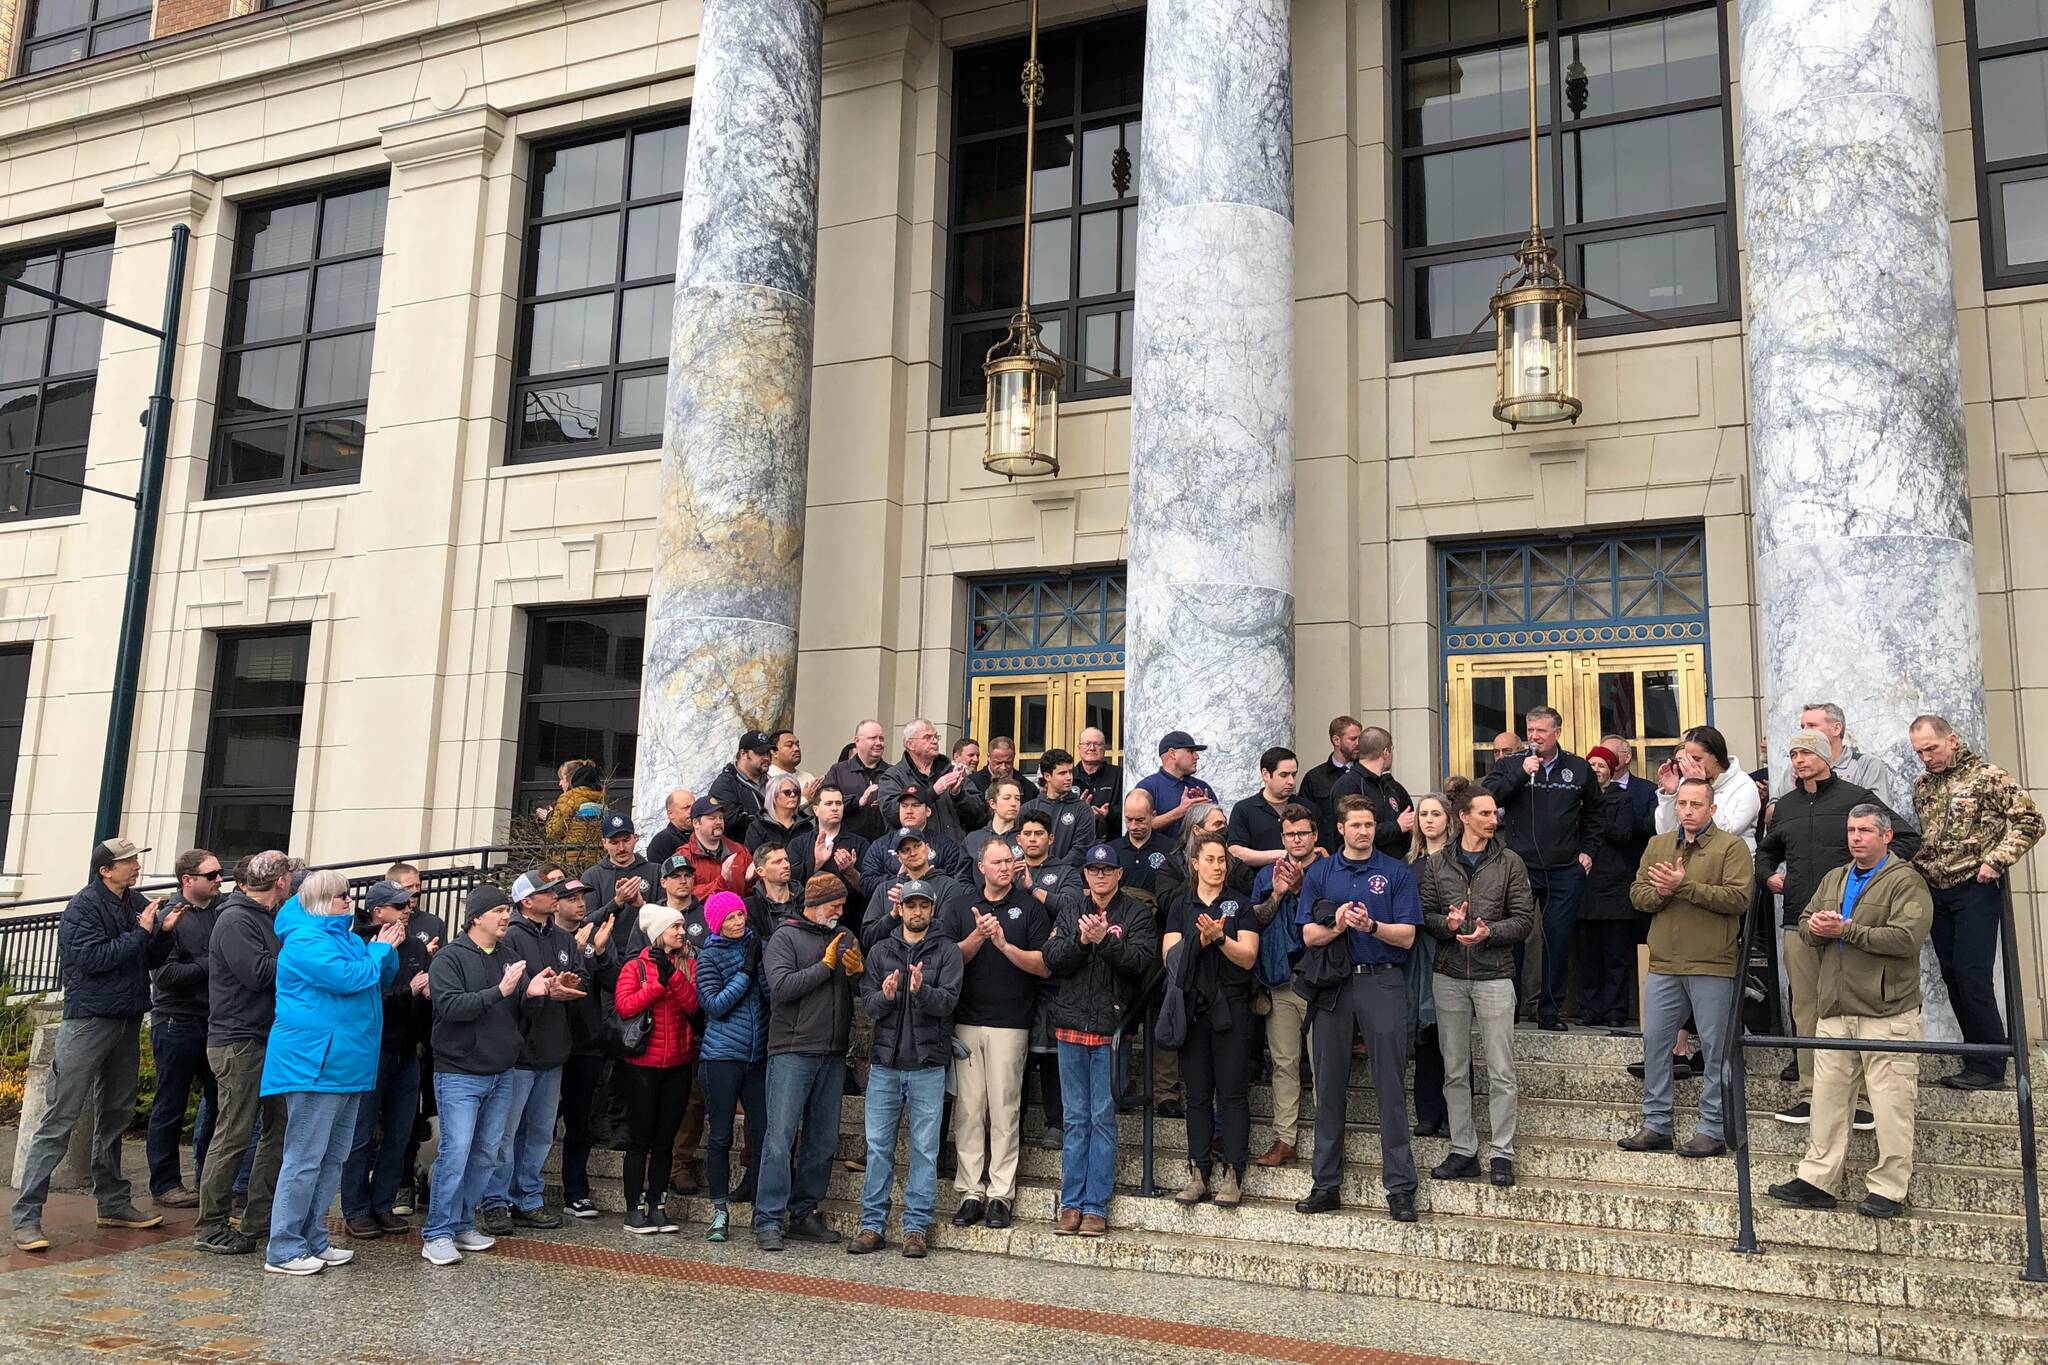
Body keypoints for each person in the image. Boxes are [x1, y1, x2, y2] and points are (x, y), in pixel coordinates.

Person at [1768, 806, 1934, 1219]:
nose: (1856, 837)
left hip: (1887, 1013)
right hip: (1836, 1009)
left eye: (1864, 830)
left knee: (1891, 1105)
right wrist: (1817, 926)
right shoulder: (1835, 877)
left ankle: (1889, 1188)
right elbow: (1805, 923)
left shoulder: (1906, 881)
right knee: (1827, 1100)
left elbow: (1906, 938)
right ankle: (1817, 1180)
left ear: (1887, 836)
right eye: (1851, 830)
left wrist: (1847, 931)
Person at [11, 838, 168, 1253]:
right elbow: (92, 960)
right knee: (60, 1117)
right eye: (128, 862)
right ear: (105, 870)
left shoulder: (135, 900)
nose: (136, 866)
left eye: (136, 859)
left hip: (127, 1018)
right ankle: (26, 1216)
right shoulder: (82, 907)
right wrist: (141, 933)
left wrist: (162, 935)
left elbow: (145, 958)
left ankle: (113, 1202)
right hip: (88, 1022)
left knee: (115, 1113)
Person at [1760, 730, 1917, 1125]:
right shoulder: (1788, 806)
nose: (1798, 759)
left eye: (1805, 752)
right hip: (1801, 921)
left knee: (1857, 1008)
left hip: (1854, 925)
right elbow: (1766, 851)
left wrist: (1871, 882)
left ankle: (1863, 1101)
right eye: (1792, 753)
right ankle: (1810, 1094)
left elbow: (1907, 839)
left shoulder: (1856, 798)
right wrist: (1768, 877)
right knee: (1806, 1007)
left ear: (1826, 755)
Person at [259, 870, 404, 1275]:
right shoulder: (305, 940)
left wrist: (385, 951)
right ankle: (284, 1248)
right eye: (342, 895)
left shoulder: (346, 937)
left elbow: (378, 980)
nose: (349, 901)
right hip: (314, 1064)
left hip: (346, 1062)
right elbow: (348, 979)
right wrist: (376, 953)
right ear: (323, 899)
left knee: (332, 1159)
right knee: (304, 1158)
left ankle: (313, 1238)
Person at [1295, 798, 1423, 1221]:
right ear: (1341, 829)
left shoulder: (1395, 872)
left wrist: (1370, 926)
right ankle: (1325, 1184)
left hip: (1382, 979)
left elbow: (1406, 936)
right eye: (1356, 825)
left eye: (1370, 825)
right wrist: (1339, 925)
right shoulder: (1320, 872)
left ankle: (1400, 1187)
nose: (1364, 832)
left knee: (1390, 1086)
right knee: (1328, 1084)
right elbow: (1309, 937)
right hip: (1334, 984)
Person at [1620, 777, 1753, 1158]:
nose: (1689, 811)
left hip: (1712, 962)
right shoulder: (1658, 845)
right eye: (1683, 804)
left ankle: (1712, 1129)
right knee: (1656, 1044)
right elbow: (1638, 894)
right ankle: (1656, 1124)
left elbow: (1738, 898)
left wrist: (1684, 886)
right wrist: (1661, 891)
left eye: (1697, 804)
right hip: (1664, 961)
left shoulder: (1732, 847)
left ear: (1712, 809)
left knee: (1714, 1048)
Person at [1910, 714, 2044, 1089]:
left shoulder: (1988, 776)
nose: (1926, 758)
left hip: (1976, 885)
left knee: (1973, 975)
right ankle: (1976, 1056)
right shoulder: (1922, 785)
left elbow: (2030, 820)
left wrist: (1996, 859)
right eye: (1919, 752)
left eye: (1931, 749)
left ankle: (1991, 1062)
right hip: (1937, 887)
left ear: (1951, 740)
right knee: (1952, 975)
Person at [420, 886, 549, 1266]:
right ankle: (436, 1233)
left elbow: (520, 1014)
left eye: (508, 909)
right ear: (476, 917)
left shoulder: (510, 956)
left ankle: (461, 1223)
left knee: (486, 1152)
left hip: (501, 1071)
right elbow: (449, 1007)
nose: (506, 916)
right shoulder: (449, 958)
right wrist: (500, 990)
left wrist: (537, 993)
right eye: (498, 910)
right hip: (460, 1072)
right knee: (455, 1151)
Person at [1419, 779, 1536, 1188]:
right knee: (1455, 1068)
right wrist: (1448, 926)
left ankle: (1502, 1151)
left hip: (1495, 975)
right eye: (1484, 813)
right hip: (1449, 974)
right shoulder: (1436, 864)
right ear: (1463, 818)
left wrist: (1491, 933)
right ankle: (1463, 1149)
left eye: (1494, 813)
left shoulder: (1510, 863)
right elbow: (1425, 915)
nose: (1493, 819)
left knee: (1501, 1070)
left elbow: (1524, 921)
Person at [1045, 845, 1156, 1233]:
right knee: (1075, 1119)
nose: (1101, 876)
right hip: (1071, 1027)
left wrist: (1105, 943)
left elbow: (1142, 961)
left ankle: (1096, 1205)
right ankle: (1070, 1203)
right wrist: (1081, 941)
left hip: (1111, 1031)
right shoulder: (1071, 909)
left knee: (1102, 1119)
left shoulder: (1137, 913)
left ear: (1119, 874)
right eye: (1094, 869)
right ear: (1086, 874)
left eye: (1108, 869)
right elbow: (1052, 958)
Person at [851, 880, 963, 1257]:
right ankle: (872, 1225)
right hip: (885, 1064)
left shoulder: (947, 951)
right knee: (878, 1147)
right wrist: (885, 997)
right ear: (899, 909)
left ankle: (916, 1227)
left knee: (925, 1150)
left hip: (928, 1065)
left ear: (932, 909)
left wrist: (921, 992)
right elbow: (867, 1002)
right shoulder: (881, 949)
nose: (917, 912)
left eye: (923, 906)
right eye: (910, 905)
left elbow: (948, 1002)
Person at [192, 849, 294, 1256]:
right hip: (238, 1041)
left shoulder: (267, 917)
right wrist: (300, 954)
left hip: (266, 1039)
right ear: (281, 882)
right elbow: (260, 975)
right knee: (234, 1133)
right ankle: (210, 1224)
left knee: (277, 1129)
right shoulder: (236, 919)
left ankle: (259, 1218)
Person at [947, 839, 1049, 1230]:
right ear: (981, 867)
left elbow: (1044, 966)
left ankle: (1000, 1194)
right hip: (967, 1020)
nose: (1006, 867)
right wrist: (978, 935)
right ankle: (971, 1191)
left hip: (1011, 1022)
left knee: (1005, 1110)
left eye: (1010, 861)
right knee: (970, 1109)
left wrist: (1004, 944)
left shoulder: (1031, 908)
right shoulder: (960, 906)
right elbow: (948, 959)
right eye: (998, 861)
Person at [755, 875, 862, 1250]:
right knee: (780, 1139)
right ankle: (768, 1218)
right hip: (792, 1050)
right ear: (817, 903)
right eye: (836, 904)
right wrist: (825, 966)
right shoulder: (785, 937)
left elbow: (858, 991)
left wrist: (857, 974)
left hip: (832, 1052)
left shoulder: (846, 936)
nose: (841, 910)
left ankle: (803, 1212)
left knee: (822, 1141)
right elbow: (781, 989)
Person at [478, 870, 587, 1235]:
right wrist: (540, 990)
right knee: (505, 1133)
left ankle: (527, 1196)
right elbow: (513, 988)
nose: (554, 895)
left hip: (553, 1050)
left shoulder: (562, 938)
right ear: (527, 901)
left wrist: (568, 983)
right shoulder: (510, 939)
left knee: (541, 1132)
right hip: (519, 1052)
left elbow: (578, 974)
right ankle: (495, 1200)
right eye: (545, 892)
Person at [1483, 705, 1600, 1031]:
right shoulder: (1509, 764)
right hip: (1519, 868)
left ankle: (1550, 1011)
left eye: (1541, 732)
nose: (1534, 737)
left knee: (1557, 940)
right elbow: (1488, 799)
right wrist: (1522, 772)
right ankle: (1511, 1009)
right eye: (1530, 731)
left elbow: (1595, 814)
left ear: (1557, 733)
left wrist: (1588, 851)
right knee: (1512, 939)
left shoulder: (1578, 768)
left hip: (1565, 869)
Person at [1163, 832, 1259, 1207]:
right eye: (1211, 860)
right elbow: (1170, 958)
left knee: (1232, 1094)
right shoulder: (1180, 904)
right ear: (1195, 864)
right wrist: (1199, 941)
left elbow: (1248, 956)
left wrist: (1220, 939)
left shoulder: (1240, 904)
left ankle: (1233, 1174)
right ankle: (1198, 1172)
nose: (1218, 867)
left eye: (1222, 860)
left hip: (1232, 1008)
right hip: (1193, 1008)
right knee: (1197, 1095)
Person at [340, 880, 432, 1239]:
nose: (408, 908)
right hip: (371, 1050)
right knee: (361, 1133)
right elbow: (365, 996)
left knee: (400, 1132)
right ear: (378, 912)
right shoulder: (359, 943)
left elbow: (422, 995)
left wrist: (424, 1001)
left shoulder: (414, 946)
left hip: (407, 1050)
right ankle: (356, 1207)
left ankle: (383, 1203)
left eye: (408, 903)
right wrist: (406, 992)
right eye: (398, 905)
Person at [612, 903, 700, 1234]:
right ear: (658, 933)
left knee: (665, 1141)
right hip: (642, 1066)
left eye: (682, 926)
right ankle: (633, 1208)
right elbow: (624, 1006)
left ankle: (657, 1205)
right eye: (675, 927)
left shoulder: (687, 965)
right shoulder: (636, 967)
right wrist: (658, 984)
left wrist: (673, 976)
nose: (682, 931)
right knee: (640, 1140)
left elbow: (693, 1005)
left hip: (678, 1063)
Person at [145, 848, 224, 1210]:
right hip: (177, 1021)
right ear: (187, 880)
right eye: (212, 875)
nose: (220, 880)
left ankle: (208, 1175)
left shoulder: (222, 913)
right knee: (170, 1105)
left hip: (215, 1021)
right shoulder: (170, 917)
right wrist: (211, 964)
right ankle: (165, 1183)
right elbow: (165, 975)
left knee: (220, 1103)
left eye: (220, 873)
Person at [1249, 804, 1324, 1167]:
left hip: (1319, 982)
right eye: (1291, 834)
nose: (1297, 840)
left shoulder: (1328, 871)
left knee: (1324, 1062)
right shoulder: (1266, 875)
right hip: (1279, 981)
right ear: (1283, 839)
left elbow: (1326, 917)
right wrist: (1278, 893)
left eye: (1303, 833)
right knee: (1283, 1063)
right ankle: (1285, 1138)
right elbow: (1254, 923)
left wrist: (1301, 888)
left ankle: (1328, 1139)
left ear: (1315, 836)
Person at [695, 891, 767, 1242]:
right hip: (721, 1055)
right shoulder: (708, 956)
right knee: (721, 1135)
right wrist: (746, 973)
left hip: (758, 1056)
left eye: (740, 915)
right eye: (730, 918)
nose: (738, 922)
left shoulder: (758, 946)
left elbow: (769, 996)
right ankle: (719, 1210)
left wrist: (763, 970)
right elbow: (713, 1004)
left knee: (765, 1131)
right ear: (717, 924)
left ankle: (761, 1206)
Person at [552, 870, 619, 1221]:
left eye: (583, 899)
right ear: (555, 903)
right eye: (572, 899)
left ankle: (576, 1191)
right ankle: (519, 1189)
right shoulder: (546, 937)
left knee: (580, 1123)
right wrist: (576, 951)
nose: (580, 905)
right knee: (539, 1123)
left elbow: (612, 981)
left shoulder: (593, 936)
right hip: (548, 1044)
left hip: (586, 1044)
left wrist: (602, 951)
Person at [1580, 746, 1653, 1028]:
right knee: (1588, 953)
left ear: (1611, 769)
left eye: (1601, 765)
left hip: (1614, 886)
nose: (1596, 769)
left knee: (1615, 954)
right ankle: (1589, 1008)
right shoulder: (1577, 800)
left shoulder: (1621, 799)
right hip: (1585, 885)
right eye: (1592, 765)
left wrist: (1594, 819)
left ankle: (1615, 1009)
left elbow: (1623, 834)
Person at [1405, 794, 1452, 1138]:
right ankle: (1427, 1113)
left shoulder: (1458, 860)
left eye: (1436, 814)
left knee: (1452, 1037)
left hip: (1450, 952)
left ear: (1449, 820)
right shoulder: (1409, 863)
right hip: (1417, 955)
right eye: (1424, 814)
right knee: (1424, 1036)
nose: (1429, 820)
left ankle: (1454, 1115)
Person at [859, 825, 971, 951]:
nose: (912, 853)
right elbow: (867, 939)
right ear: (899, 857)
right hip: (890, 964)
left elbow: (950, 932)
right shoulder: (885, 889)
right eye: (905, 850)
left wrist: (912, 914)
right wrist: (893, 915)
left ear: (928, 848)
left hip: (934, 962)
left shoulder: (949, 886)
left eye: (917, 846)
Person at [1654, 724, 1763, 850]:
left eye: (1696, 759)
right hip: (1691, 859)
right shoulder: (1687, 781)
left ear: (1716, 756)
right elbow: (1666, 832)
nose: (1691, 765)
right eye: (1688, 759)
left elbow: (1726, 832)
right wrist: (1670, 794)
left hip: (1732, 861)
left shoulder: (1743, 785)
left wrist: (1702, 788)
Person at [881, 718, 987, 843]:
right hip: (915, 853)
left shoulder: (952, 771)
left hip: (954, 854)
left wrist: (958, 795)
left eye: (936, 736)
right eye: (927, 737)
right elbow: (892, 814)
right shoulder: (894, 776)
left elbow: (979, 814)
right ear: (910, 744)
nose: (935, 741)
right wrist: (932, 793)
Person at [1329, 726, 1416, 861]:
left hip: (1393, 866)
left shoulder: (1389, 787)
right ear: (1386, 752)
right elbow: (1346, 833)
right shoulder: (1348, 785)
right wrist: (1397, 826)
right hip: (1358, 868)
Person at [860, 786, 970, 889]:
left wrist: (926, 877)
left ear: (928, 811)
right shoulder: (881, 845)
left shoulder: (946, 846)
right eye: (904, 806)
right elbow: (866, 883)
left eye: (915, 805)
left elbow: (956, 884)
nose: (909, 811)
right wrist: (899, 879)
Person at [784, 783, 868, 903]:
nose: (835, 808)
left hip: (848, 915)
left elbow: (868, 888)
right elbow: (789, 883)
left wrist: (851, 872)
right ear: (816, 810)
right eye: (829, 803)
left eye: (838, 803)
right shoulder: (798, 843)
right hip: (806, 915)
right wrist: (816, 863)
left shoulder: (860, 843)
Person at [582, 812, 658, 933]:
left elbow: (668, 916)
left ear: (636, 838)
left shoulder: (656, 872)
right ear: (604, 843)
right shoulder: (592, 876)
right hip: (607, 950)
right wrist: (618, 902)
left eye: (626, 840)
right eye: (614, 842)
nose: (621, 848)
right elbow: (586, 922)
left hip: (649, 949)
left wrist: (642, 905)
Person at [1137, 730, 1219, 841]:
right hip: (1161, 857)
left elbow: (1219, 829)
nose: (1196, 757)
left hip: (1198, 857)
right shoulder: (1147, 787)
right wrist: (1180, 812)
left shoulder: (1202, 787)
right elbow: (1138, 827)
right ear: (1172, 753)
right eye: (1190, 751)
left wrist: (1203, 812)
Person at [1225, 746, 1298, 872]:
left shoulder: (1306, 807)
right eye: (1284, 775)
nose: (1291, 781)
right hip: (1256, 885)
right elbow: (1235, 851)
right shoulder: (1244, 809)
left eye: (1294, 775)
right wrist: (1282, 855)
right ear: (1266, 775)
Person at [1021, 748, 1098, 861]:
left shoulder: (1083, 809)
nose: (1069, 777)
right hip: (1032, 876)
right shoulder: (1028, 809)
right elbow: (1019, 845)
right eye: (1062, 773)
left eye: (1070, 772)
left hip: (1068, 876)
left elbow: (1081, 849)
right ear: (1047, 776)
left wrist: (1057, 871)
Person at [1302, 715, 1363, 853]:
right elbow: (1305, 820)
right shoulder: (1314, 778)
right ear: (1336, 740)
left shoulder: (1366, 775)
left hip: (1363, 853)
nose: (1359, 743)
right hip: (1327, 855)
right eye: (1353, 739)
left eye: (1361, 738)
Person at [823, 719, 891, 842]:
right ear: (857, 741)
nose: (878, 743)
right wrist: (858, 802)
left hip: (883, 845)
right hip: (846, 846)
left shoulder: (892, 773)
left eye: (881, 738)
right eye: (873, 738)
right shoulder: (838, 771)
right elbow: (825, 804)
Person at [678, 795, 755, 901]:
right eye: (712, 818)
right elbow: (684, 894)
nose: (718, 822)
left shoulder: (740, 851)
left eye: (720, 817)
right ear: (696, 823)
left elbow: (754, 893)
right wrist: (721, 882)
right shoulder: (684, 856)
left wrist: (755, 877)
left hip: (740, 915)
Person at [707, 729, 773, 843]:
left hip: (774, 851)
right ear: (743, 754)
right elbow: (728, 817)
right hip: (743, 853)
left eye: (768, 753)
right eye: (761, 753)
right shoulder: (725, 783)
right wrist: (768, 815)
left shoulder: (772, 782)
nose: (766, 758)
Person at [537, 759, 606, 865]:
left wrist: (549, 817)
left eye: (562, 778)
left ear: (571, 779)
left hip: (571, 859)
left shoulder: (570, 798)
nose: (560, 783)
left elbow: (554, 832)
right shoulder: (599, 799)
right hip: (595, 859)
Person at [964, 774, 1027, 866]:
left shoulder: (1026, 838)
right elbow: (963, 878)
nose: (1014, 803)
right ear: (992, 803)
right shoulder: (973, 839)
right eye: (1007, 798)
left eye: (1017, 798)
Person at [1074, 727, 1124, 841]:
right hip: (1076, 843)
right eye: (1087, 744)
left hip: (1112, 842)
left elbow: (1128, 810)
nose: (1092, 748)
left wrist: (1108, 814)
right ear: (1079, 748)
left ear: (1104, 749)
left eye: (1097, 744)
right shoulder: (1069, 776)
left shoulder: (1119, 775)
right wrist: (1079, 810)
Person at [968, 735, 1039, 806]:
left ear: (1014, 757)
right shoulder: (972, 783)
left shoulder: (1028, 787)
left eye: (1008, 762)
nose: (1003, 767)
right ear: (988, 757)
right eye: (998, 763)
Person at [746, 773, 806, 853]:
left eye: (796, 792)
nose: (792, 795)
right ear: (773, 796)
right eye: (787, 792)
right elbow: (752, 859)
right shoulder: (758, 826)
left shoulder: (806, 826)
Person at [644, 788, 700, 868]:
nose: (692, 811)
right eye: (686, 807)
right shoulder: (661, 842)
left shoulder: (704, 835)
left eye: (694, 806)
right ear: (670, 814)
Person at [766, 728, 818, 810]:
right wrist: (804, 799)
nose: (796, 749)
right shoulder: (767, 778)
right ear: (774, 752)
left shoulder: (808, 777)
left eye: (797, 745)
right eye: (789, 745)